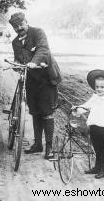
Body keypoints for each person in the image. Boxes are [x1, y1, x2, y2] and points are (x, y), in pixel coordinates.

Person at [9, 12, 62, 159]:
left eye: (21, 24)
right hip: (30, 79)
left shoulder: (38, 32)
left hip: (46, 78)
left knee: (47, 112)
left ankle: (50, 148)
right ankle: (38, 144)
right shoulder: (15, 42)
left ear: (26, 21)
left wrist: (34, 62)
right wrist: (17, 65)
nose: (19, 28)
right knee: (35, 111)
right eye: (15, 26)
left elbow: (43, 49)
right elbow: (17, 58)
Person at [72, 69, 104, 179]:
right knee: (96, 148)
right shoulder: (95, 97)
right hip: (94, 127)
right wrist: (78, 108)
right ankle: (97, 167)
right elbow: (87, 106)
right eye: (97, 87)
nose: (99, 89)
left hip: (103, 129)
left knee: (103, 150)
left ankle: (102, 169)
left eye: (102, 87)